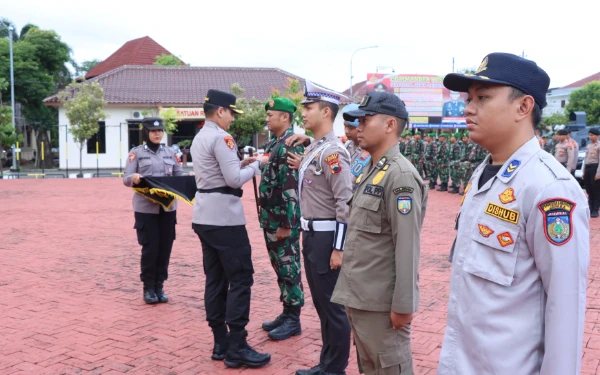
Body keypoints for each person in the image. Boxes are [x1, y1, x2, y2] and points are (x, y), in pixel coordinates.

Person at [438, 52, 590, 374]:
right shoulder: (484, 173)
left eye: (483, 97)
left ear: (523, 107)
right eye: (469, 98)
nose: (468, 108)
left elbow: (565, 305)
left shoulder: (550, 188)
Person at [332, 91, 427, 375]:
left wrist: (404, 304)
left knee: (389, 367)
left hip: (382, 304)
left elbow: (407, 245)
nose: (357, 127)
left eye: (366, 120)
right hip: (362, 296)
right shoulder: (372, 169)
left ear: (389, 125)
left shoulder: (401, 176)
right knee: (370, 367)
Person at [190, 89, 271, 368]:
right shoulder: (222, 137)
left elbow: (219, 171)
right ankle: (237, 345)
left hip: (204, 215)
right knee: (240, 279)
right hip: (225, 219)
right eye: (231, 114)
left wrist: (242, 163)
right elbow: (234, 180)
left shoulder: (201, 136)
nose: (233, 120)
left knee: (214, 279)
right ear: (221, 111)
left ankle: (220, 341)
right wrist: (258, 165)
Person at [288, 80, 352, 375]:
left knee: (333, 308)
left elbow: (344, 203)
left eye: (309, 108)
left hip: (327, 237)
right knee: (322, 304)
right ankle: (326, 364)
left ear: (326, 112)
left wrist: (339, 248)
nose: (304, 113)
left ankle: (334, 369)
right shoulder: (318, 148)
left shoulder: (332, 153)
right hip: (312, 234)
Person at [123, 117, 193, 304]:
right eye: (153, 131)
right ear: (145, 132)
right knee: (150, 249)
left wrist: (189, 177)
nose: (157, 134)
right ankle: (148, 288)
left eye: (160, 131)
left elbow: (178, 174)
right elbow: (126, 178)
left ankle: (160, 286)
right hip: (146, 209)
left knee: (165, 248)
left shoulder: (170, 152)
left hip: (168, 208)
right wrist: (134, 177)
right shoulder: (136, 153)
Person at [259, 97, 306, 340]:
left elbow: (291, 187)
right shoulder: (276, 143)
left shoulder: (289, 144)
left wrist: (288, 223)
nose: (267, 118)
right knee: (280, 268)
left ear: (285, 117)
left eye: (271, 114)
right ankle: (287, 310)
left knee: (289, 268)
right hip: (272, 218)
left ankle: (294, 318)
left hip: (282, 222)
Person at [342, 103, 372, 183]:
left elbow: (350, 180)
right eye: (345, 126)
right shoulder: (348, 145)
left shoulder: (368, 149)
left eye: (351, 128)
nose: (346, 131)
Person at [583, 127, 600, 218]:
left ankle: (595, 209)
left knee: (596, 190)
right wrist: (583, 171)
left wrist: (598, 173)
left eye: (592, 135)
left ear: (597, 136)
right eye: (589, 135)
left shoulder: (599, 145)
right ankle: (590, 208)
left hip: (595, 168)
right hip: (588, 168)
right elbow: (585, 160)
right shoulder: (589, 146)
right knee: (589, 189)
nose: (590, 137)